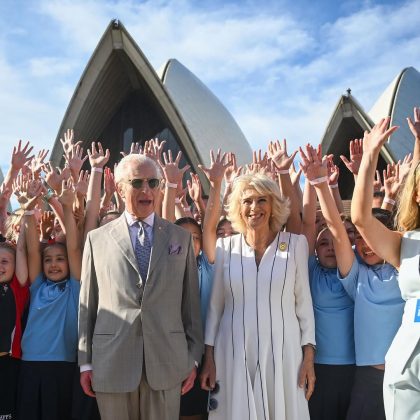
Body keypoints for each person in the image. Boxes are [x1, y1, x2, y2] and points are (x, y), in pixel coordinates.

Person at [78, 154, 203, 420]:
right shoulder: (96, 240)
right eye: (137, 182)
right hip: (111, 363)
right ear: (121, 188)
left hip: (168, 363)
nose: (146, 189)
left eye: (152, 182)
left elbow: (190, 304)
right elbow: (87, 305)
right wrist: (85, 362)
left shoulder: (180, 238)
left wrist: (192, 357)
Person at [200, 173, 316, 420]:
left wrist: (308, 358)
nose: (254, 208)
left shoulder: (295, 245)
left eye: (262, 200)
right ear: (238, 208)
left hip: (285, 353)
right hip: (232, 351)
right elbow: (215, 307)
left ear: (273, 205)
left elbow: (304, 306)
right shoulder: (225, 247)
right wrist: (209, 357)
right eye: (247, 201)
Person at [351, 111, 420, 420]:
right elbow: (361, 219)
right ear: (416, 194)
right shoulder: (406, 242)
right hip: (407, 367)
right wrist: (369, 158)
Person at [299, 144, 356, 420]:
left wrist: (329, 188)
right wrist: (312, 182)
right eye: (323, 244)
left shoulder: (355, 271)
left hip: (354, 368)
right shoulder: (310, 271)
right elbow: (309, 225)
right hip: (318, 367)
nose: (330, 247)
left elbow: (339, 227)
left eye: (334, 242)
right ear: (315, 251)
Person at [17, 177, 81, 420]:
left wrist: (65, 206)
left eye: (59, 259)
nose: (53, 264)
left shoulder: (75, 286)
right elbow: (33, 249)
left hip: (64, 366)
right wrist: (30, 209)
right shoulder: (37, 286)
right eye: (48, 259)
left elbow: (74, 247)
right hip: (30, 365)